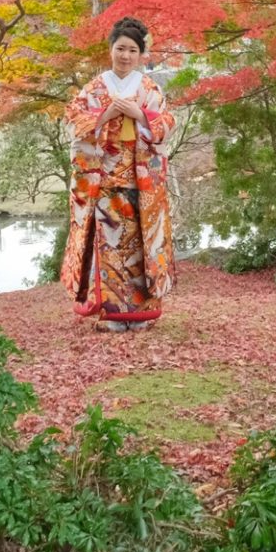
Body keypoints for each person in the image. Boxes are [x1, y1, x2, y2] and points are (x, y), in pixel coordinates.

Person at [61, 17, 176, 331]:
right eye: (120, 48)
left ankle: (140, 315)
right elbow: (72, 121)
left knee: (140, 246)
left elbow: (166, 123)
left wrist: (140, 115)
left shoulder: (149, 88)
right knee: (108, 246)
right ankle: (112, 315)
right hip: (104, 180)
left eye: (133, 50)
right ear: (110, 50)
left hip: (140, 181)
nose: (126, 56)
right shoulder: (95, 88)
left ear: (141, 55)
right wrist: (105, 114)